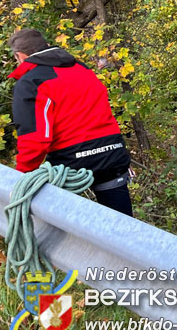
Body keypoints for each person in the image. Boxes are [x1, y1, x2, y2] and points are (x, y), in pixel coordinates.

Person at [8, 29, 133, 216]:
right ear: (47, 46)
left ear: (20, 56)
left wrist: (22, 178)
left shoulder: (30, 82)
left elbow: (34, 138)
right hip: (112, 155)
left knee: (55, 227)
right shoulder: (82, 69)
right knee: (122, 230)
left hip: (71, 163)